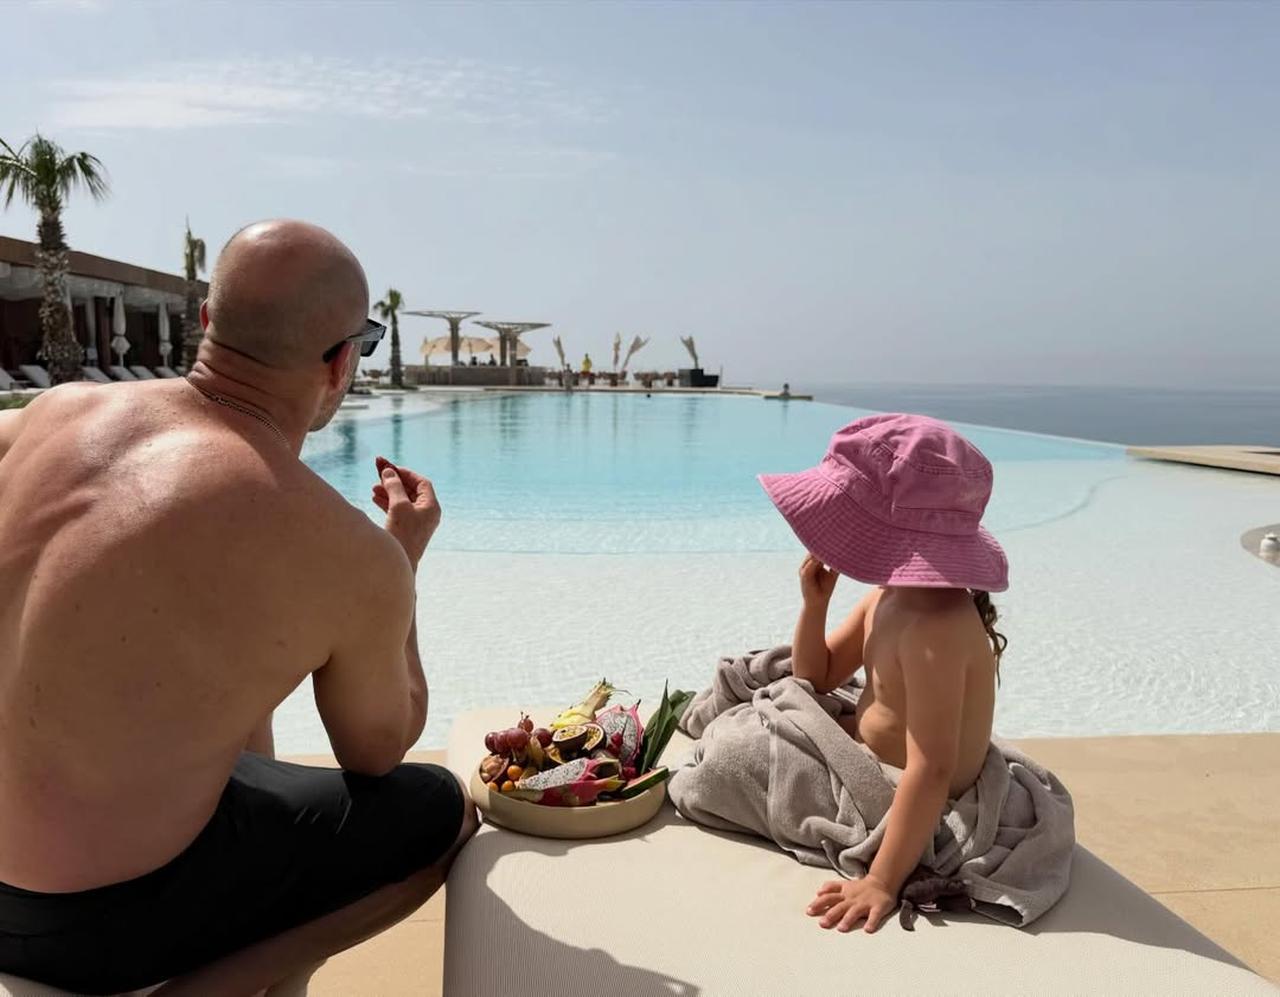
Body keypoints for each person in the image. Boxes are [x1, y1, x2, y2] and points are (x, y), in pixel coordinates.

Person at [0, 219, 477, 995]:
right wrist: (401, 558)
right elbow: (377, 751)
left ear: (208, 324)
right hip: (107, 928)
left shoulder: (50, 418)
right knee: (440, 815)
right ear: (341, 362)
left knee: (243, 714)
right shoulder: (339, 545)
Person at [758, 413, 1008, 935]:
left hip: (915, 795)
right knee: (763, 703)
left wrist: (881, 880)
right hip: (878, 758)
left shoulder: (936, 631)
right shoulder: (886, 598)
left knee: (737, 755)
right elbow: (818, 676)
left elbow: (933, 770)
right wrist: (815, 604)